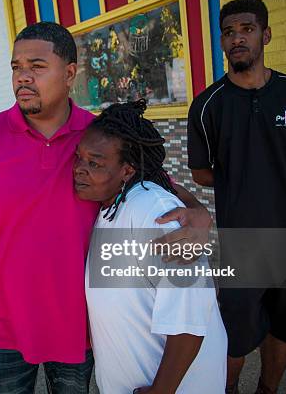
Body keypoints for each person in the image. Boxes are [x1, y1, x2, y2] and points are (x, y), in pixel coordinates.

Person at [0, 22, 212, 393]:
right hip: (2, 329)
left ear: (69, 72)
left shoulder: (98, 138)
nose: (23, 77)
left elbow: (156, 179)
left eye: (37, 66)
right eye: (16, 67)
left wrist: (200, 212)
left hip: (80, 332)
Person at [187, 0, 286, 394]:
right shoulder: (207, 106)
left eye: (247, 29)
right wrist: (251, 172)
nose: (237, 38)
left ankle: (267, 391)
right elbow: (202, 172)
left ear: (266, 34)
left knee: (284, 328)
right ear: (221, 41)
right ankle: (229, 390)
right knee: (234, 334)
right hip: (242, 241)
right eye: (229, 32)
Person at [75, 100, 227, 394]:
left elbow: (189, 319)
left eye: (94, 163)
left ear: (128, 170)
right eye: (78, 158)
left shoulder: (157, 215)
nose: (79, 169)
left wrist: (161, 391)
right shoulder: (112, 202)